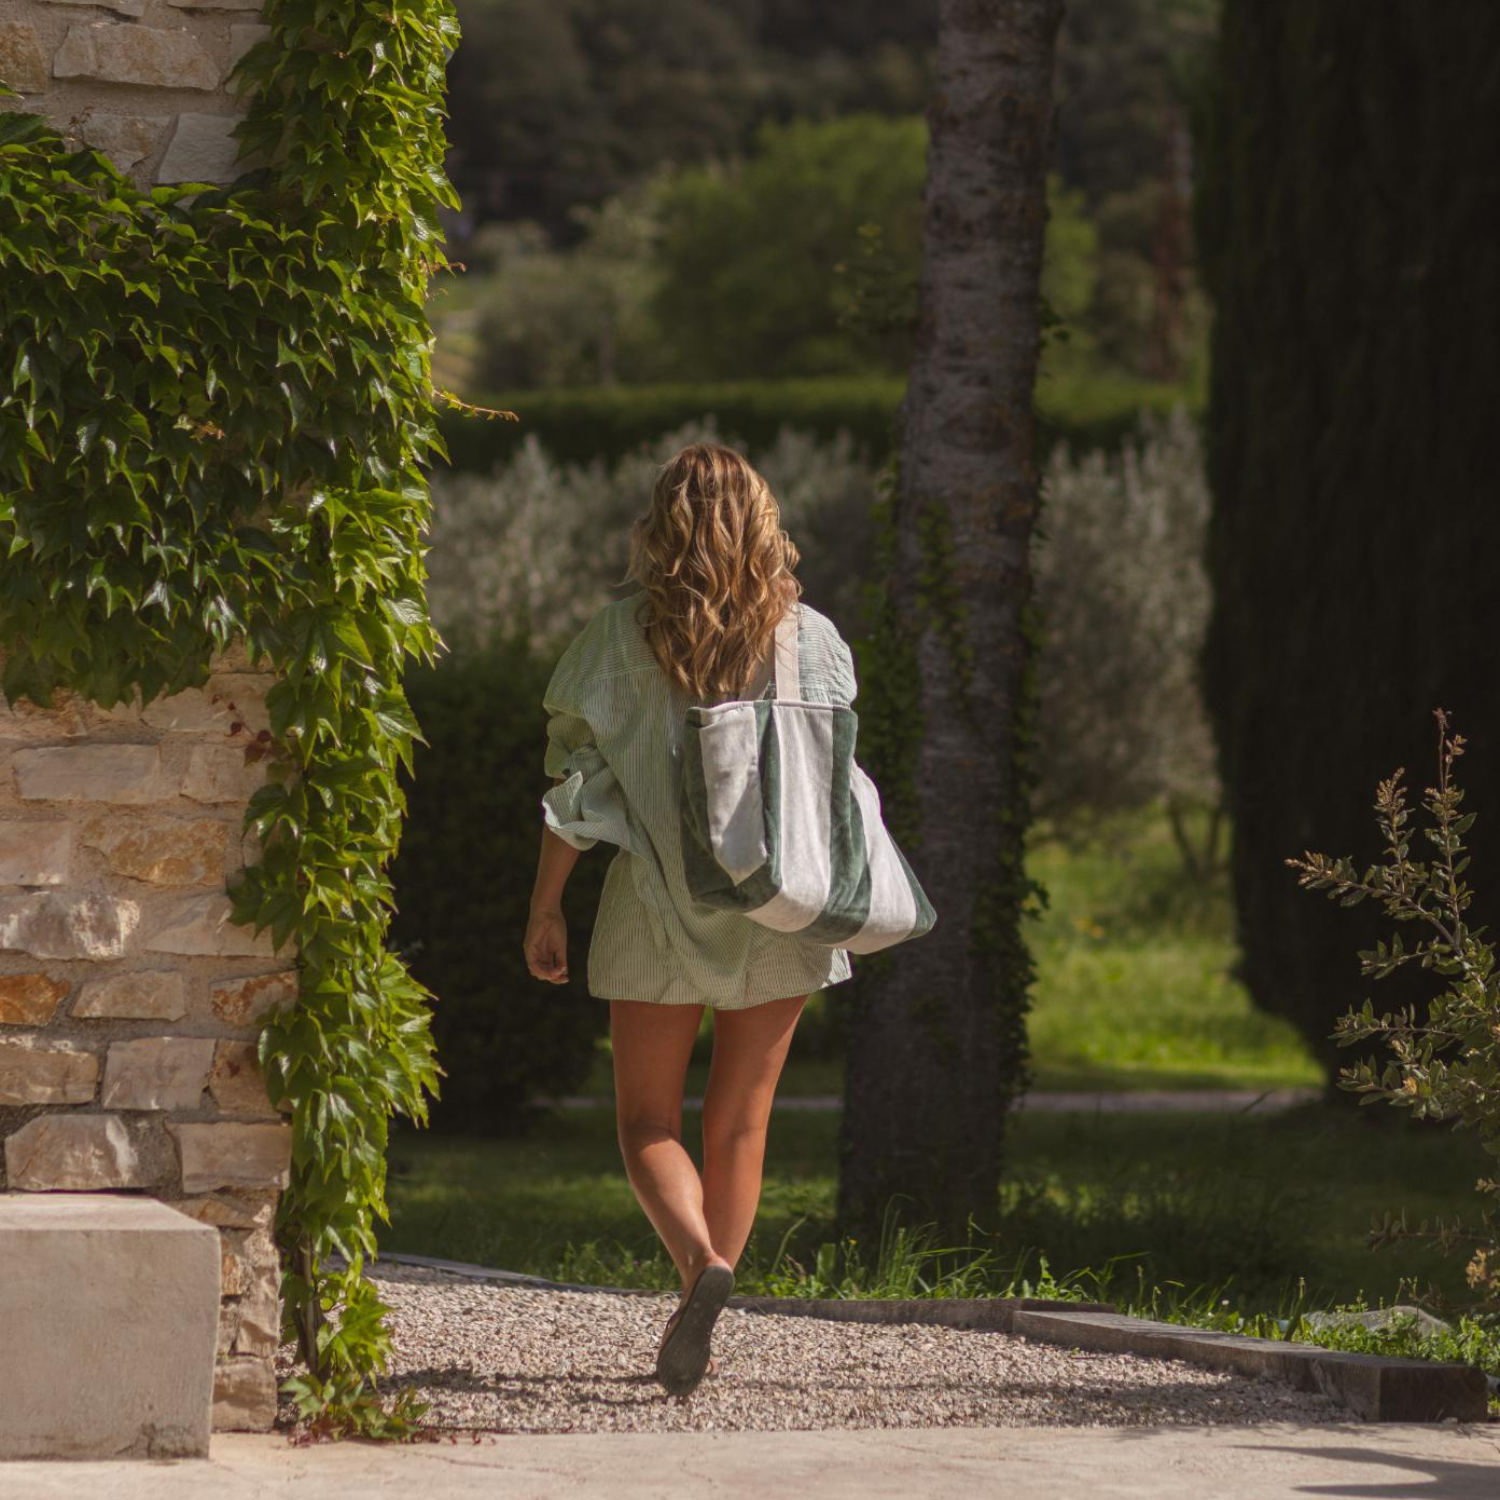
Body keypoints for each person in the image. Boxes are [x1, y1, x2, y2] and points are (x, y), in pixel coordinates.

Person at [522, 441, 859, 1397]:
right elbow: (832, 783)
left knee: (644, 1122)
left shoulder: (617, 638)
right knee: (739, 1126)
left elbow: (575, 788)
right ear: (764, 521)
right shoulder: (815, 640)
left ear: (659, 529)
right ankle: (710, 1291)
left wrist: (547, 905)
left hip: (654, 902)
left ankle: (696, 1269)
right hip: (782, 905)